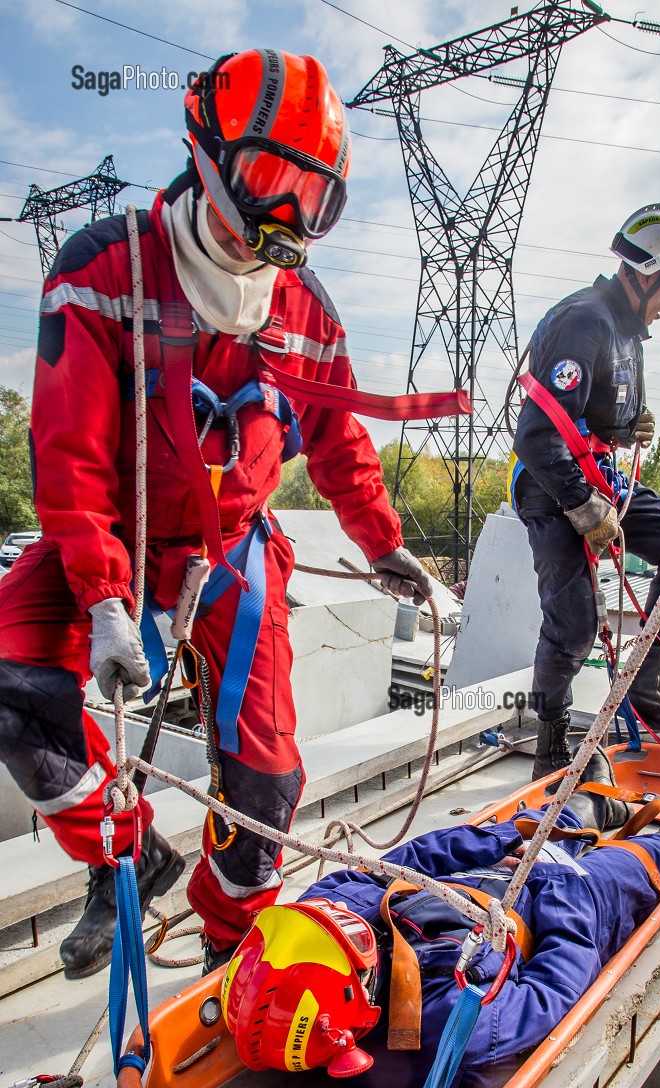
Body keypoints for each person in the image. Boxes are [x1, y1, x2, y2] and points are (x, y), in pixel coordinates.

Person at [0, 48, 434, 980]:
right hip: (108, 534)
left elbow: (339, 441)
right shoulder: (106, 267)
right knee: (13, 691)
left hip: (230, 551)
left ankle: (229, 946)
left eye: (309, 198)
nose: (282, 220)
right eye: (270, 181)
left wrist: (384, 546)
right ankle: (126, 854)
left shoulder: (304, 313)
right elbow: (67, 454)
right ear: (206, 153)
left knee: (268, 786)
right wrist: (105, 595)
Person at [221, 748, 660, 1088]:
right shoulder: (456, 1028)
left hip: (477, 883)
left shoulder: (324, 919)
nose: (344, 920)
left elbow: (406, 859)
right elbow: (559, 983)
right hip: (550, 911)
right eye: (349, 938)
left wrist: (494, 840)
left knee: (542, 828)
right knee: (621, 870)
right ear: (359, 998)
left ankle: (588, 806)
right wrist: (566, 888)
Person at [511, 203, 660, 777]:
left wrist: (630, 425)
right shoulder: (586, 320)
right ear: (647, 272)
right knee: (573, 625)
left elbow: (596, 407)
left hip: (600, 475)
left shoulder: (627, 327)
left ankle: (643, 682)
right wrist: (583, 507)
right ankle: (551, 740)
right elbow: (536, 435)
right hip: (552, 485)